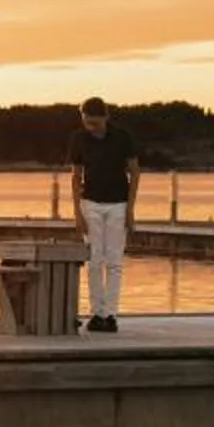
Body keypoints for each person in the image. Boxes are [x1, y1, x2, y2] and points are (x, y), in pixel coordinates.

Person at [64, 97, 140, 333]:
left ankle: (111, 315)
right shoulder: (78, 139)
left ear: (106, 118)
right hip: (90, 203)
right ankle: (97, 313)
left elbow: (135, 172)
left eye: (95, 123)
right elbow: (76, 176)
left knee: (114, 261)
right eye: (87, 122)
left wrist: (130, 210)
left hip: (118, 204)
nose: (91, 127)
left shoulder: (122, 137)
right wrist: (77, 213)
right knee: (94, 261)